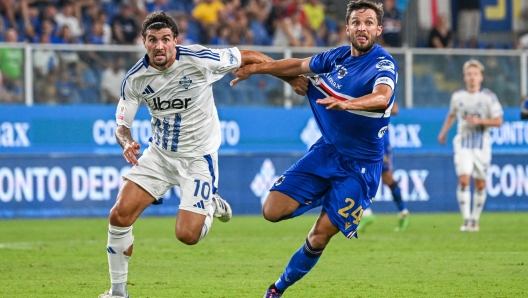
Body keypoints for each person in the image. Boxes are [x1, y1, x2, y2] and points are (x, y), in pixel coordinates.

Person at [99, 11, 308, 298]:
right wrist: (126, 142)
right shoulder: (135, 79)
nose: (159, 46)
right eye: (152, 40)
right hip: (159, 155)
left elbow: (247, 56)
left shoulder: (198, 59)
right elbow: (121, 126)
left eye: (165, 39)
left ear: (175, 40)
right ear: (143, 42)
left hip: (197, 158)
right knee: (119, 215)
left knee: (187, 236)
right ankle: (118, 292)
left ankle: (210, 203)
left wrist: (289, 77)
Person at [231, 1, 397, 296]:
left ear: (378, 29)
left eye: (369, 22)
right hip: (327, 152)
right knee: (271, 210)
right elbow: (297, 65)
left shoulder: (383, 64)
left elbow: (382, 98)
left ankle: (277, 288)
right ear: (347, 28)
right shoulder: (336, 57)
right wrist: (257, 69)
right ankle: (325, 195)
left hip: (360, 168)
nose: (363, 27)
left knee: (319, 236)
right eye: (357, 22)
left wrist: (348, 103)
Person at [438, 59, 503, 232]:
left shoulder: (488, 97)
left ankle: (475, 219)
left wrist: (479, 121)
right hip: (463, 144)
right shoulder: (458, 97)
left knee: (480, 184)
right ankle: (466, 219)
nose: (472, 78)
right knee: (464, 179)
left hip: (482, 146)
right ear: (464, 77)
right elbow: (452, 115)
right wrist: (443, 132)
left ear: (481, 77)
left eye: (475, 74)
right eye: (469, 74)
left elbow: (498, 121)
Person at [358, 102, 410, 232]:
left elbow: (395, 109)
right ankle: (366, 214)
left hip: (380, 142)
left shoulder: (380, 88)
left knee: (387, 178)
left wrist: (370, 106)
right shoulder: (356, 90)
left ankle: (403, 212)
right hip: (363, 141)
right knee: (358, 176)